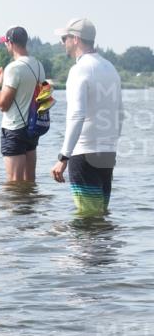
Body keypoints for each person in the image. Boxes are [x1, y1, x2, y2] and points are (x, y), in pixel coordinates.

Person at [49, 18, 123, 216]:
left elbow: (77, 115)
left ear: (75, 39)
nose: (62, 42)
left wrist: (63, 157)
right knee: (101, 216)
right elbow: (120, 113)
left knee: (87, 219)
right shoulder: (110, 68)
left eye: (64, 38)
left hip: (84, 154)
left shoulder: (79, 70)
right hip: (108, 153)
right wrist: (111, 145)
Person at [0, 26, 47, 182]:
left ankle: (14, 207)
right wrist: (0, 80)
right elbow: (32, 95)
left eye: (5, 43)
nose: (5, 46)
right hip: (32, 128)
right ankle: (31, 207)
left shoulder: (14, 68)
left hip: (14, 130)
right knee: (30, 181)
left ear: (10, 43)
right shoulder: (39, 65)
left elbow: (3, 104)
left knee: (14, 184)